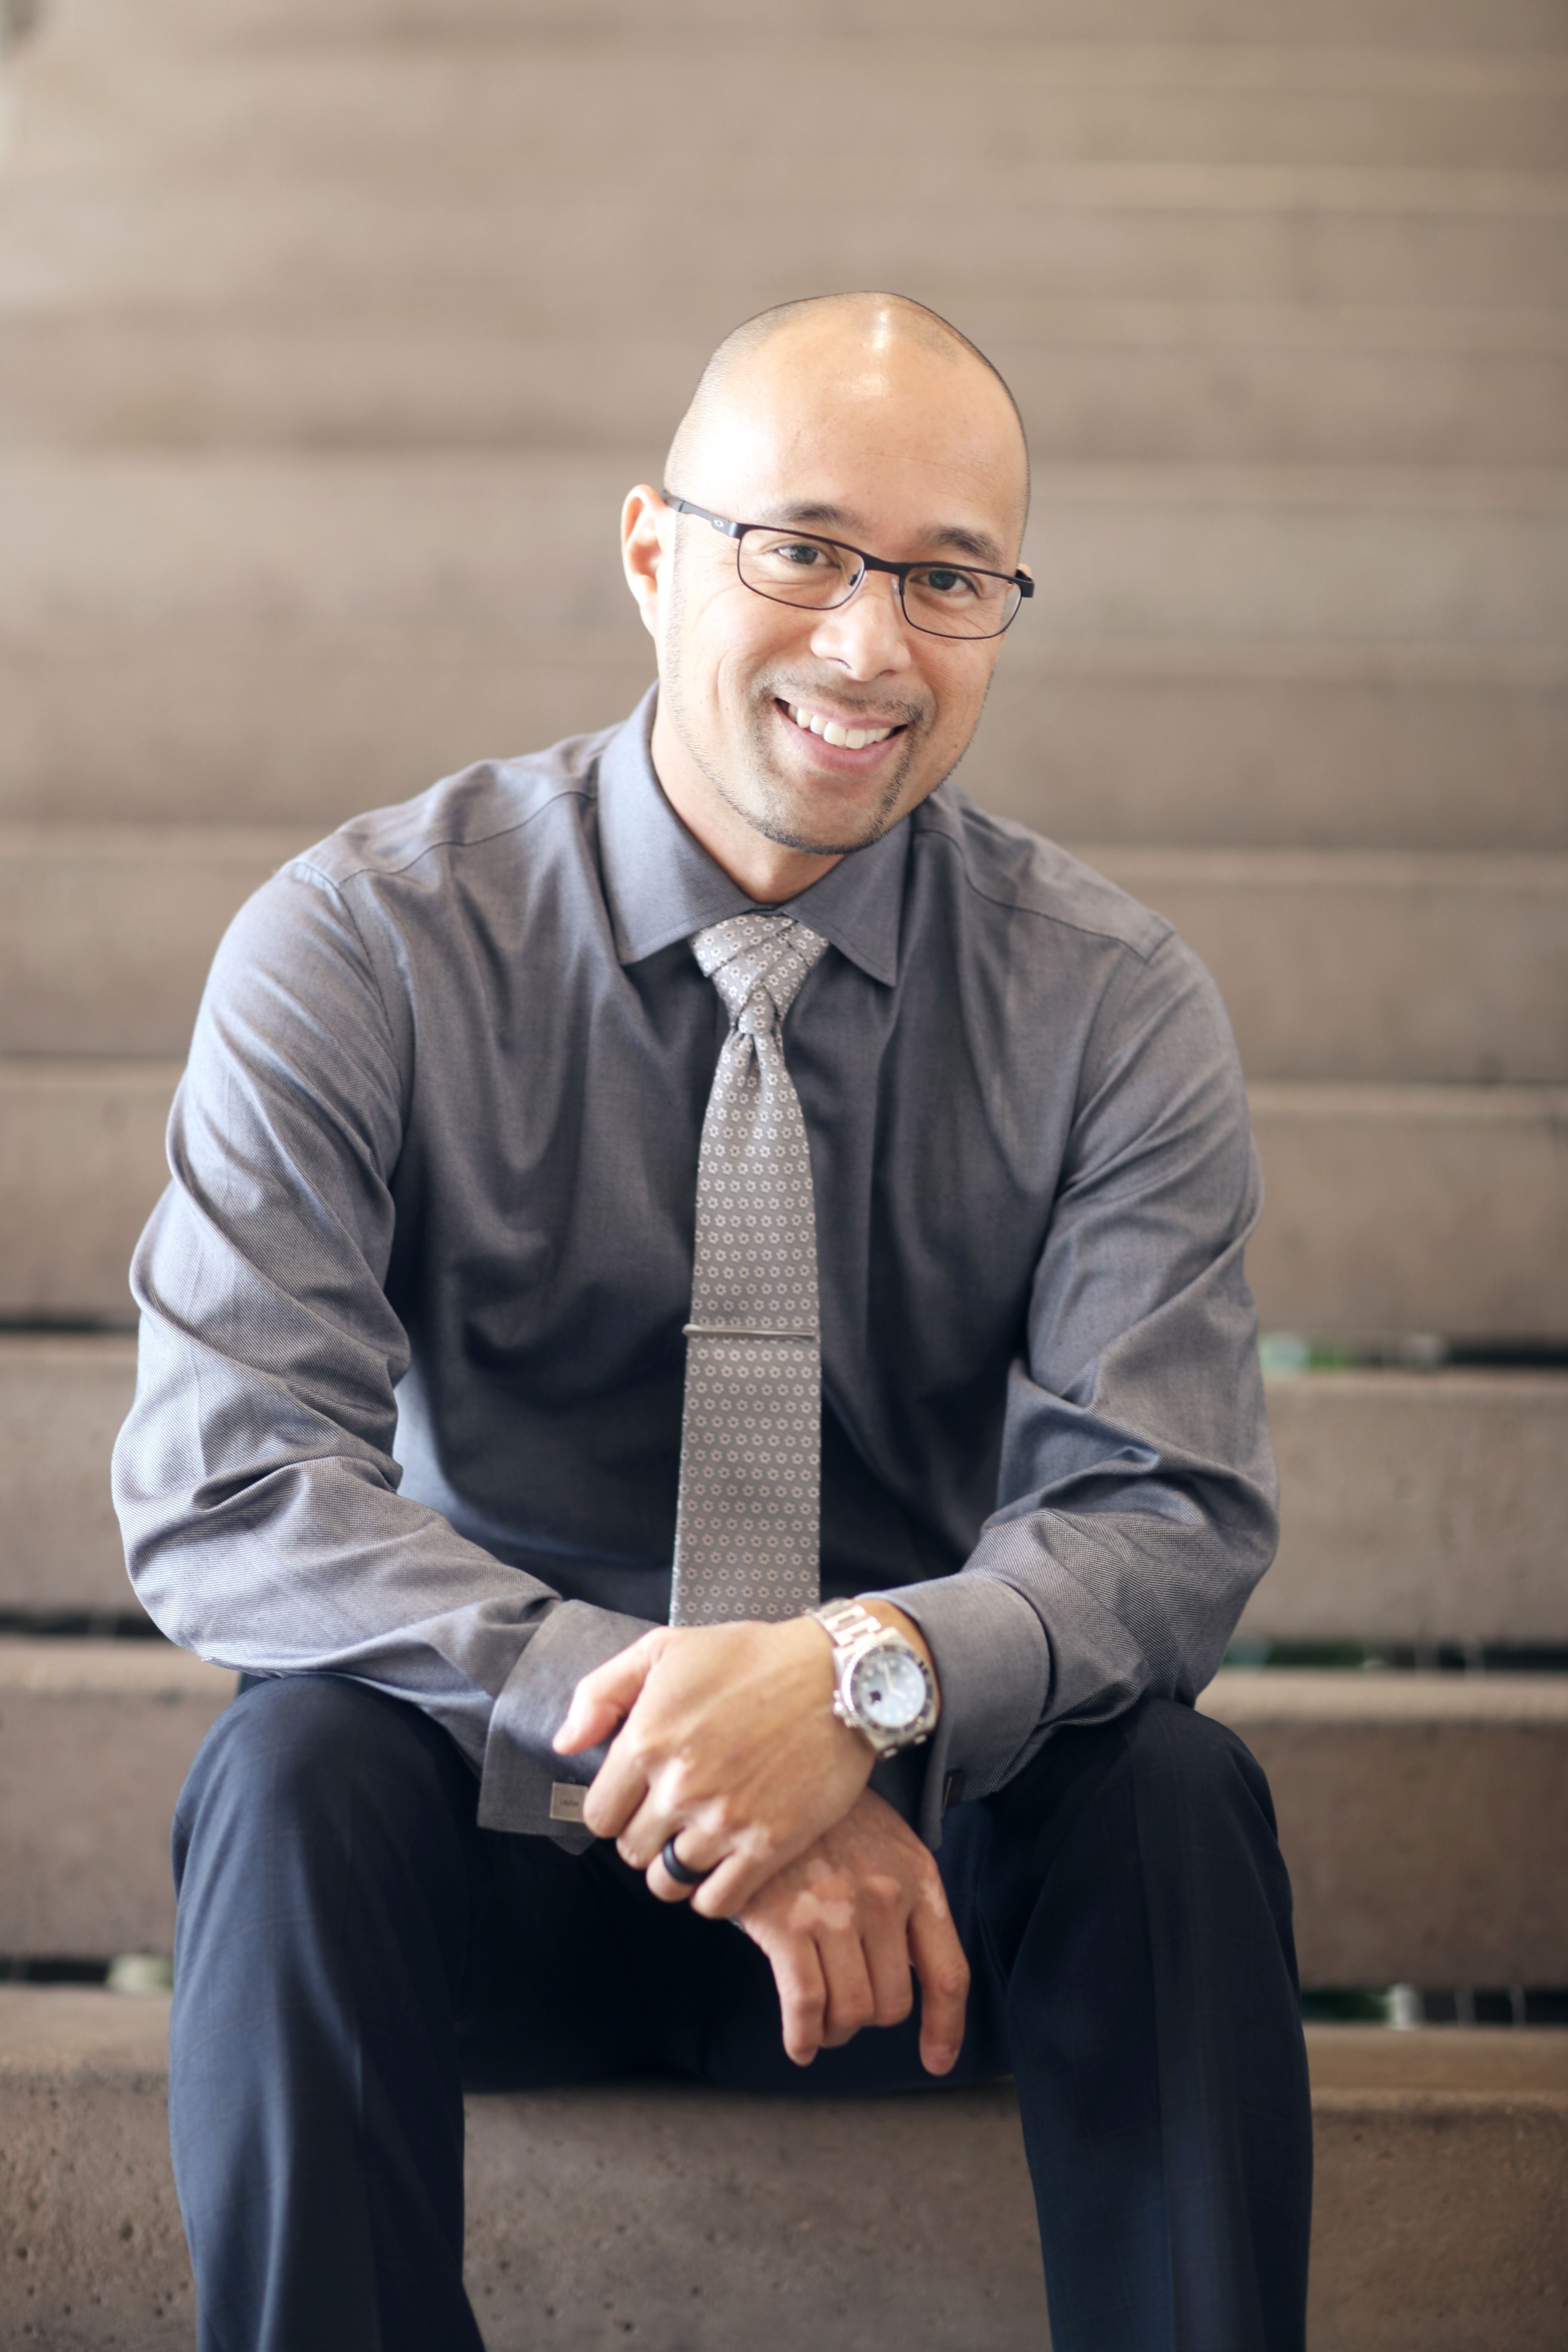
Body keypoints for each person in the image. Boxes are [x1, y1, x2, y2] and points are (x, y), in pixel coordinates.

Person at [113, 291, 1312, 2351]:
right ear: (658, 553)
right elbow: (227, 1481)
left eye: (950, 579)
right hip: (496, 1847)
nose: (873, 643)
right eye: (807, 548)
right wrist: (687, 1738)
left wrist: (856, 1686)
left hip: (912, 1917)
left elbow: (1170, 1514)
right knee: (292, 1766)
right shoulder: (368, 939)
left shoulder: (1106, 1003)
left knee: (1174, 1802)